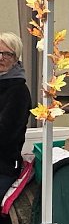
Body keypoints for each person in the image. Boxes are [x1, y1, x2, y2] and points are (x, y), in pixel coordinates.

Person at [0, 32, 31, 199]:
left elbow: (7, 133)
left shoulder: (18, 91)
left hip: (4, 166)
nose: (1, 58)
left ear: (16, 58)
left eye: (7, 54)